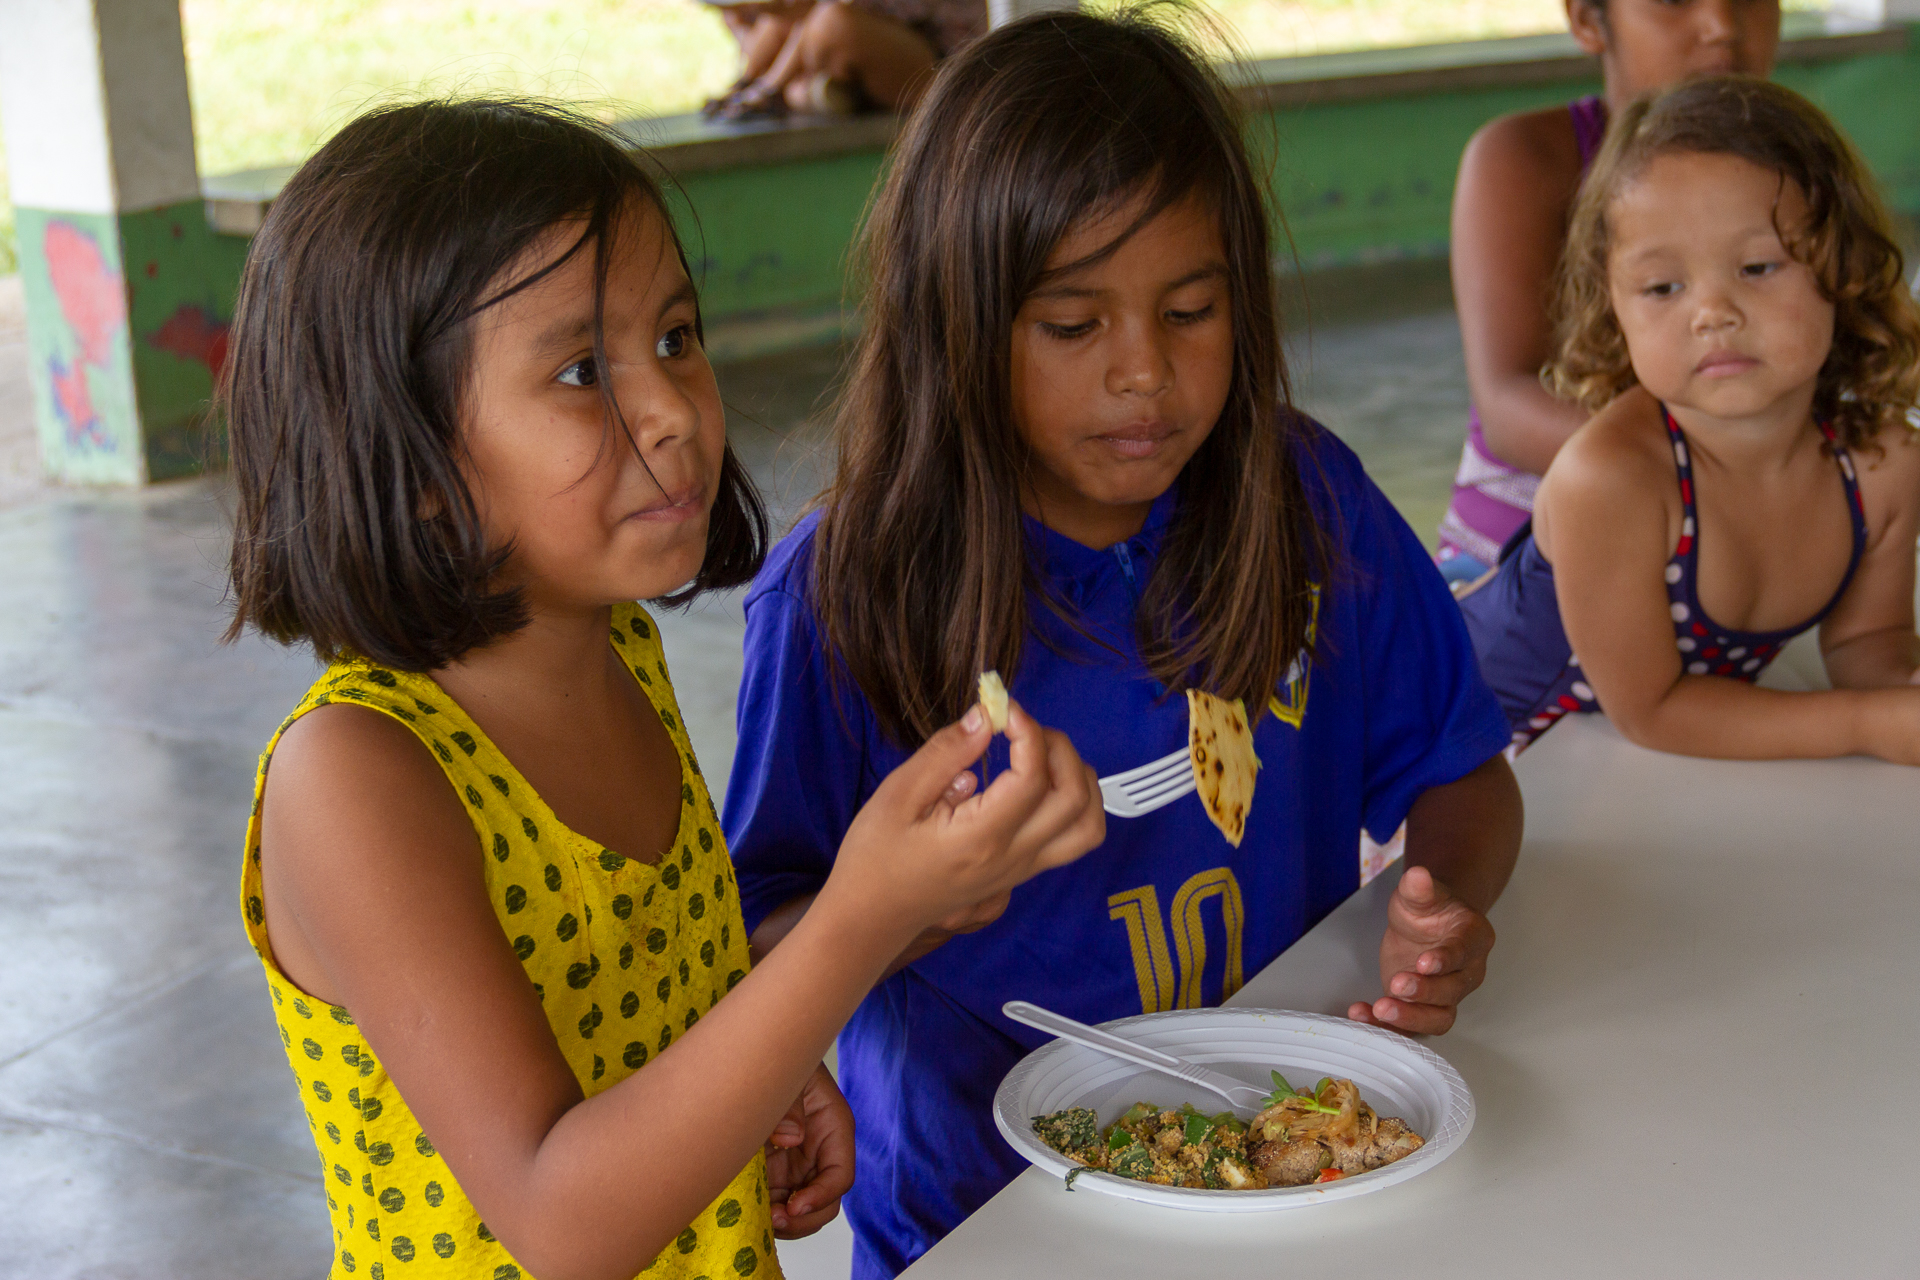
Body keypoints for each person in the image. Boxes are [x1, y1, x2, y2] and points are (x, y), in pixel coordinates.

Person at [222, 99, 1103, 1280]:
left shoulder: (616, 651)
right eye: (585, 370)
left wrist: (889, 920)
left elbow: (662, 986)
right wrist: (852, 924)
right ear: (412, 458)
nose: (673, 411)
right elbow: (560, 1215)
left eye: (678, 337)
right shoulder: (357, 779)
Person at [722, 12, 1526, 1277]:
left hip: (1296, 1174)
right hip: (984, 1221)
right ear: (956, 321)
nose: (1144, 373)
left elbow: (1461, 774)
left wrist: (1442, 908)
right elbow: (755, 941)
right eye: (1072, 326)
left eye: (1192, 309)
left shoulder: (1306, 504)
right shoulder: (842, 596)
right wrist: (902, 911)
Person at [1458, 77, 1920, 759]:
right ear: (1612, 305)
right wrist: (1866, 725)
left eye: (1758, 266)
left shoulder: (1881, 466)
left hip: (1619, 776)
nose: (1713, 312)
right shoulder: (1612, 479)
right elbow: (1655, 710)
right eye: (1663, 287)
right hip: (1464, 753)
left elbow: (1865, 643)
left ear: (1843, 269)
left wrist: (1901, 693)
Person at [1437, 0, 1782, 583]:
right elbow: (1507, 405)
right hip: (1516, 562)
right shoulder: (1527, 160)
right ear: (1588, 20)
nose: (1723, 25)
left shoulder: (1800, 170)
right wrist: (1712, 475)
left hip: (1737, 544)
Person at [700, 0, 985, 120]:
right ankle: (771, 90)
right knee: (782, 22)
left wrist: (769, 85)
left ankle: (778, 93)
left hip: (943, 68)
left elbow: (819, 13)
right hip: (891, 41)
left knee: (831, 24)